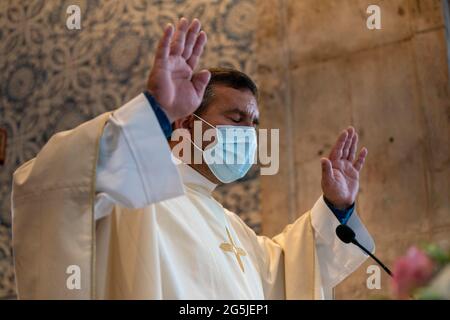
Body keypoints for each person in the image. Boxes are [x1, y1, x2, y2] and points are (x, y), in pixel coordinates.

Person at [11, 18, 373, 299]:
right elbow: (57, 184)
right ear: (186, 122)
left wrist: (336, 208)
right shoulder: (132, 194)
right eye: (236, 119)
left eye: (254, 124)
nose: (249, 135)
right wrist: (154, 113)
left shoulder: (232, 227)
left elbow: (286, 268)